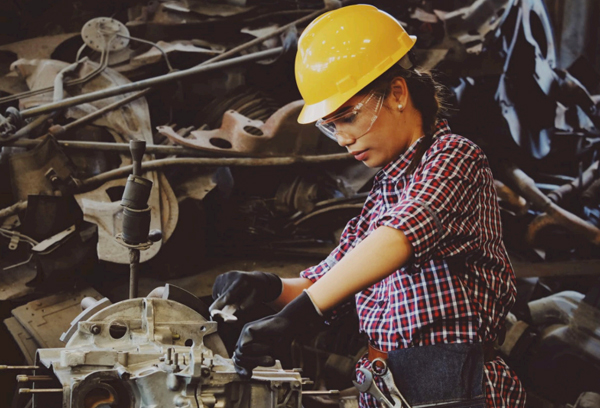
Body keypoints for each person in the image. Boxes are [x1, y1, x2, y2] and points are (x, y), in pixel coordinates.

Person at [209, 5, 526, 408]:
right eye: (330, 125)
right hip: (386, 387)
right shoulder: (384, 193)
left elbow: (400, 237)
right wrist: (265, 285)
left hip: (454, 387)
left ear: (397, 93)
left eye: (348, 117)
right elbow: (327, 283)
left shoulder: (454, 158)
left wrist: (296, 317)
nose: (341, 138)